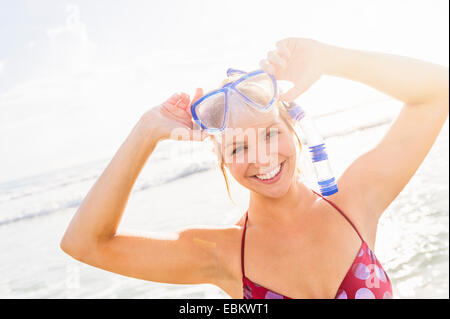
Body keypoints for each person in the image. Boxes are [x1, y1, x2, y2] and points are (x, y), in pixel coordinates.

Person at [60, 37, 449, 299]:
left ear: (293, 128)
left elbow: (438, 90)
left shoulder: (355, 203)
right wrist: (146, 132)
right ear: (222, 159)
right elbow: (85, 245)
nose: (262, 157)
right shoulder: (223, 253)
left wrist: (330, 59)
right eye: (239, 146)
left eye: (269, 134)